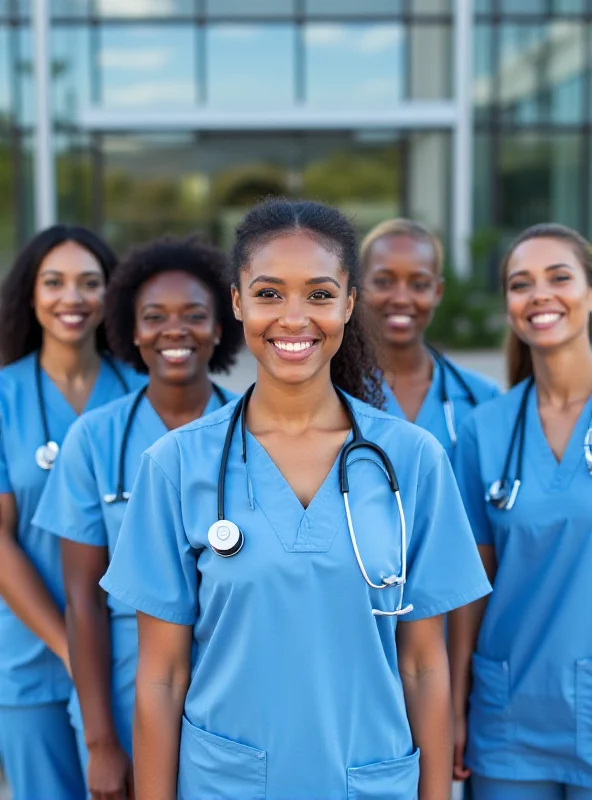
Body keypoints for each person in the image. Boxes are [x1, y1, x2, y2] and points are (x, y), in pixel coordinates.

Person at [101, 198, 491, 800]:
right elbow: (161, 676)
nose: (293, 318)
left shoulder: (412, 461)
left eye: (318, 294)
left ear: (349, 304)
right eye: (268, 294)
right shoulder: (177, 465)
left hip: (369, 780)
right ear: (237, 303)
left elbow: (423, 666)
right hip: (227, 785)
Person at [33, 236, 242, 799]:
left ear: (220, 326)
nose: (175, 331)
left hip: (234, 682)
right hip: (126, 682)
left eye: (194, 316)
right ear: (132, 330)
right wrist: (101, 740)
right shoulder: (94, 440)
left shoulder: (255, 434)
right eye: (155, 317)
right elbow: (82, 603)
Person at [0, 225, 144, 800]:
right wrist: (71, 647)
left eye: (91, 283)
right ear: (30, 295)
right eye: (54, 282)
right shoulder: (5, 396)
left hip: (133, 658)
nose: (72, 298)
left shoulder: (143, 391)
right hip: (33, 656)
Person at [451, 223, 592, 800]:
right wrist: (453, 706)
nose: (540, 295)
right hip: (510, 716)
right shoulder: (484, 431)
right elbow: (469, 587)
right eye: (520, 283)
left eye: (559, 277)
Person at [361, 219, 500, 456]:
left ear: (437, 292)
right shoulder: (332, 393)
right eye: (384, 282)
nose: (401, 299)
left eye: (419, 284)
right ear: (358, 285)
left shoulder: (483, 399)